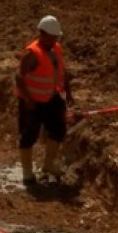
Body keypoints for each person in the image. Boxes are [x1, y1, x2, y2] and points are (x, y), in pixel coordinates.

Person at [15, 15, 74, 185]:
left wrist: (68, 93)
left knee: (58, 129)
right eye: (53, 35)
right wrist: (27, 98)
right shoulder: (31, 53)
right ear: (43, 33)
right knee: (28, 135)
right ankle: (27, 173)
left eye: (57, 36)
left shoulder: (56, 49)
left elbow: (62, 72)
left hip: (51, 98)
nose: (56, 38)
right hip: (33, 102)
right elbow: (19, 77)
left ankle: (48, 164)